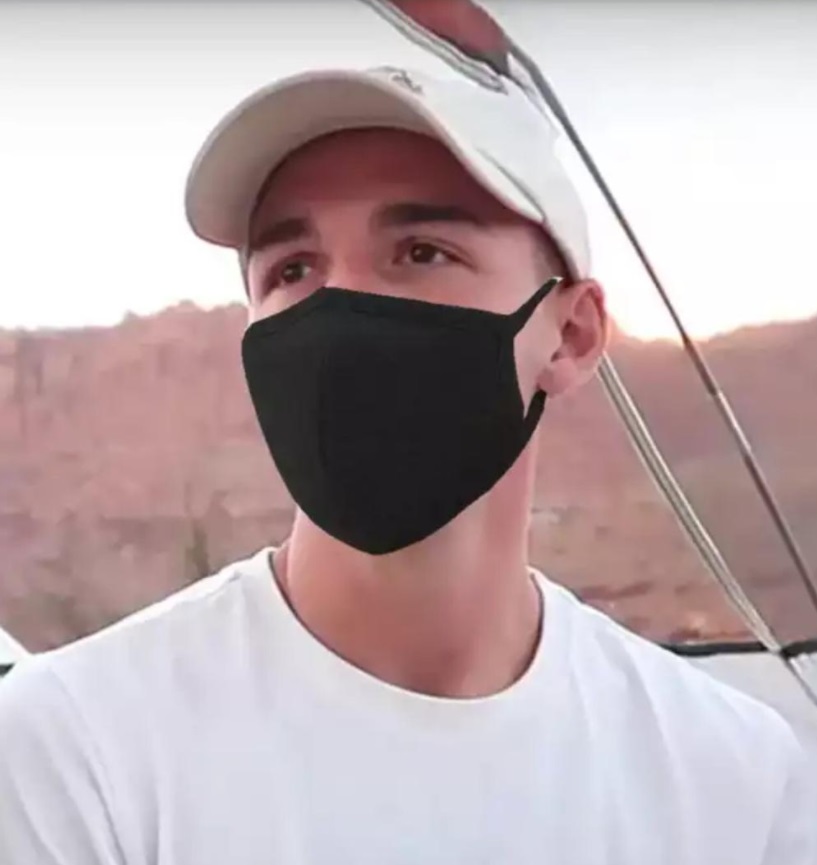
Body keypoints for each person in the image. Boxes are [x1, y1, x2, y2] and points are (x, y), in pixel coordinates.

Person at [1, 63, 815, 865]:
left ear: (568, 336)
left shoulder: (730, 774)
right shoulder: (72, 751)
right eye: (292, 270)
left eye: (420, 251)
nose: (338, 307)